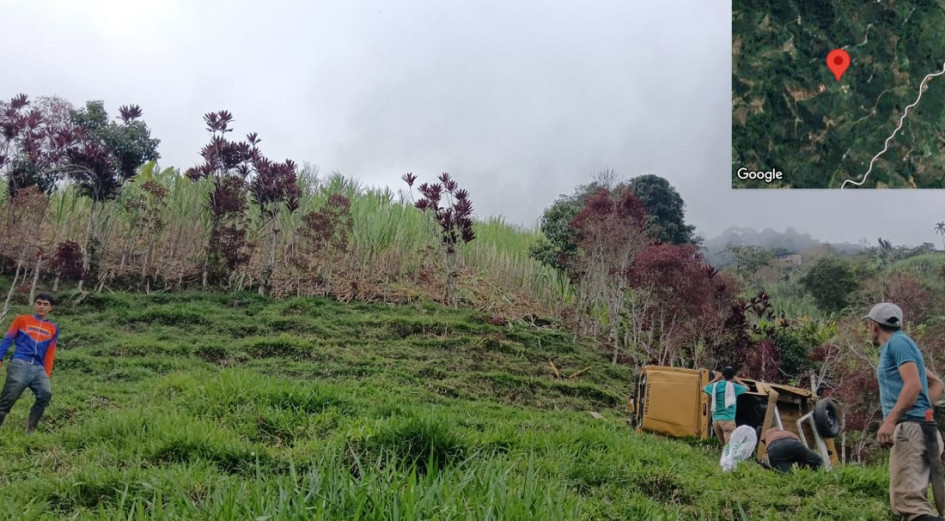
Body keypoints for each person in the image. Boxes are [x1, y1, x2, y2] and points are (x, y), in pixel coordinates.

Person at [867, 302, 945, 521]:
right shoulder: (902, 348)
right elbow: (937, 384)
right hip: (922, 428)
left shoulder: (898, 344)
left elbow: (913, 386)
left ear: (873, 325)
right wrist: (920, 407)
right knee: (921, 505)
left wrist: (890, 421)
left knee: (909, 505)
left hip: (911, 430)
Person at [0, 293, 59, 433]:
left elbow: (51, 351)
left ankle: (30, 429)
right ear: (34, 305)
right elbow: (8, 339)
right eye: (39, 303)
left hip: (39, 368)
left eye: (45, 304)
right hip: (20, 362)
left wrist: (47, 372)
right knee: (8, 399)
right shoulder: (22, 320)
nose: (41, 306)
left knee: (45, 394)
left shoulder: (53, 328)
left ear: (50, 308)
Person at [703, 366, 748, 445]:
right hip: (728, 420)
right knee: (729, 448)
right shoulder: (733, 387)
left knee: (724, 447)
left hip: (716, 421)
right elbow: (747, 388)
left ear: (722, 375)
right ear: (733, 376)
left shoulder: (715, 386)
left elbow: (703, 388)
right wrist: (737, 379)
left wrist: (716, 379)